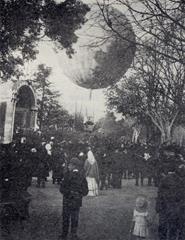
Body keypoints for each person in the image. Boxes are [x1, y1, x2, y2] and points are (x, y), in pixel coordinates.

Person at [59, 157, 88, 240]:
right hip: (74, 201)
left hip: (69, 201)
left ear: (74, 166)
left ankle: (66, 235)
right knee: (72, 218)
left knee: (68, 218)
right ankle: (72, 235)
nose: (68, 166)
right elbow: (85, 191)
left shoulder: (67, 175)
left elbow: (62, 189)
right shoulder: (81, 176)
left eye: (70, 165)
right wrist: (77, 193)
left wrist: (73, 193)